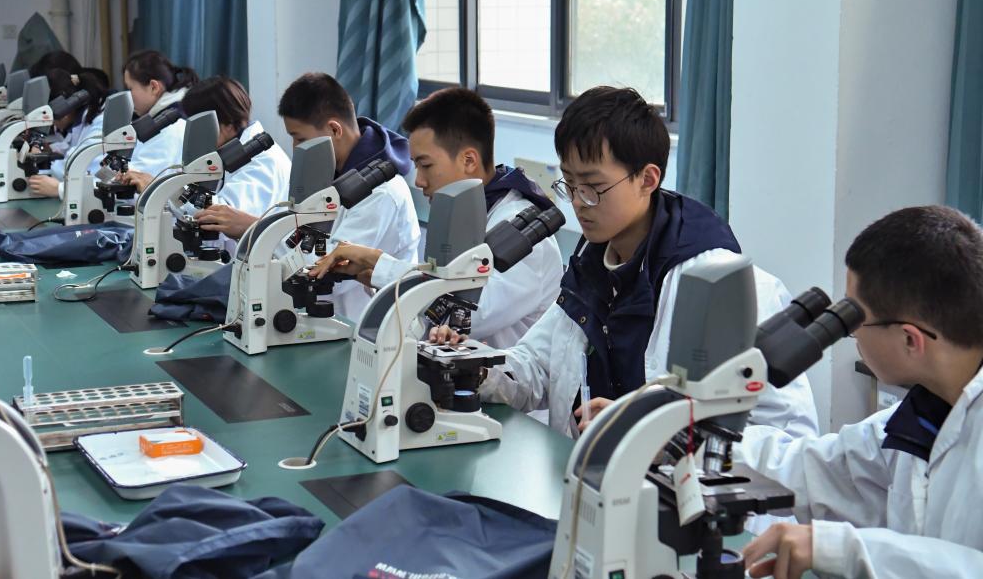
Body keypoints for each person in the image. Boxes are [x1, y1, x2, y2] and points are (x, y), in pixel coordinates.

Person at [357, 86, 817, 439]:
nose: (578, 202)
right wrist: (475, 366)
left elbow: (786, 434)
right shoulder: (592, 267)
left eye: (593, 187)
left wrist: (650, 428)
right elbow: (534, 370)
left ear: (647, 179)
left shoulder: (721, 285)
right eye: (569, 184)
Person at [738, 205, 983, 578]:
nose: (849, 334)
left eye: (854, 320)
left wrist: (844, 549)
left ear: (910, 340)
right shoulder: (924, 414)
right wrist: (682, 437)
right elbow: (815, 469)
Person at [309, 87, 563, 349]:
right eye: (416, 165)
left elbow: (463, 316)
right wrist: (374, 276)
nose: (418, 181)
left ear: (468, 160)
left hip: (498, 374)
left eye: (426, 165)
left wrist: (379, 263)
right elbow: (430, 314)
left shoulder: (523, 235)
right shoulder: (461, 213)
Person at [197, 72, 420, 321]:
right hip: (313, 317)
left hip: (358, 324)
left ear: (334, 129)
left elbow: (326, 268)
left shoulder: (382, 192)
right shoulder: (325, 171)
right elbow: (292, 232)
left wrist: (255, 228)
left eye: (300, 138)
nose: (295, 148)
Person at [176, 76, 291, 222]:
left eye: (199, 126)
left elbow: (221, 217)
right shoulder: (228, 149)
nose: (194, 134)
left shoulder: (264, 161)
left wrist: (172, 191)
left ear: (228, 124)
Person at [117, 49, 198, 186]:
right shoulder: (171, 115)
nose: (128, 97)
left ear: (154, 87)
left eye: (130, 89)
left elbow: (138, 181)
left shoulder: (170, 127)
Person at [26, 67, 109, 197]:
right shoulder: (83, 122)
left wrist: (58, 189)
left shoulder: (100, 124)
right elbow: (71, 147)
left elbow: (80, 167)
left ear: (61, 109)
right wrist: (49, 149)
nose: (52, 125)